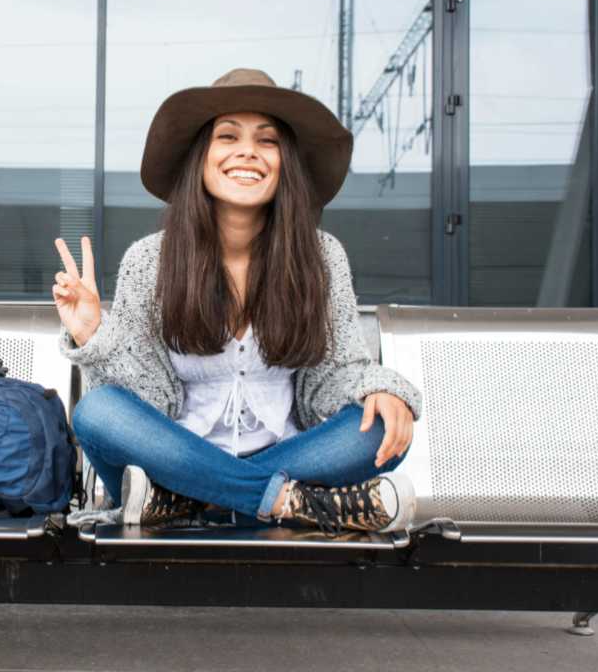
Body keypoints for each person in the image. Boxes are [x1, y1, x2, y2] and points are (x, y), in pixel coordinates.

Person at [52, 68, 423, 534]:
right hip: (174, 457)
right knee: (98, 412)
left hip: (286, 458)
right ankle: (286, 503)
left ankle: (192, 502)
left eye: (267, 141)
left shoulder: (321, 256)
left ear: (285, 163)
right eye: (228, 136)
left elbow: (335, 379)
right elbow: (146, 403)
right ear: (201, 158)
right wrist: (94, 336)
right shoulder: (149, 261)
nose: (247, 151)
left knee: (381, 427)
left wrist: (381, 390)